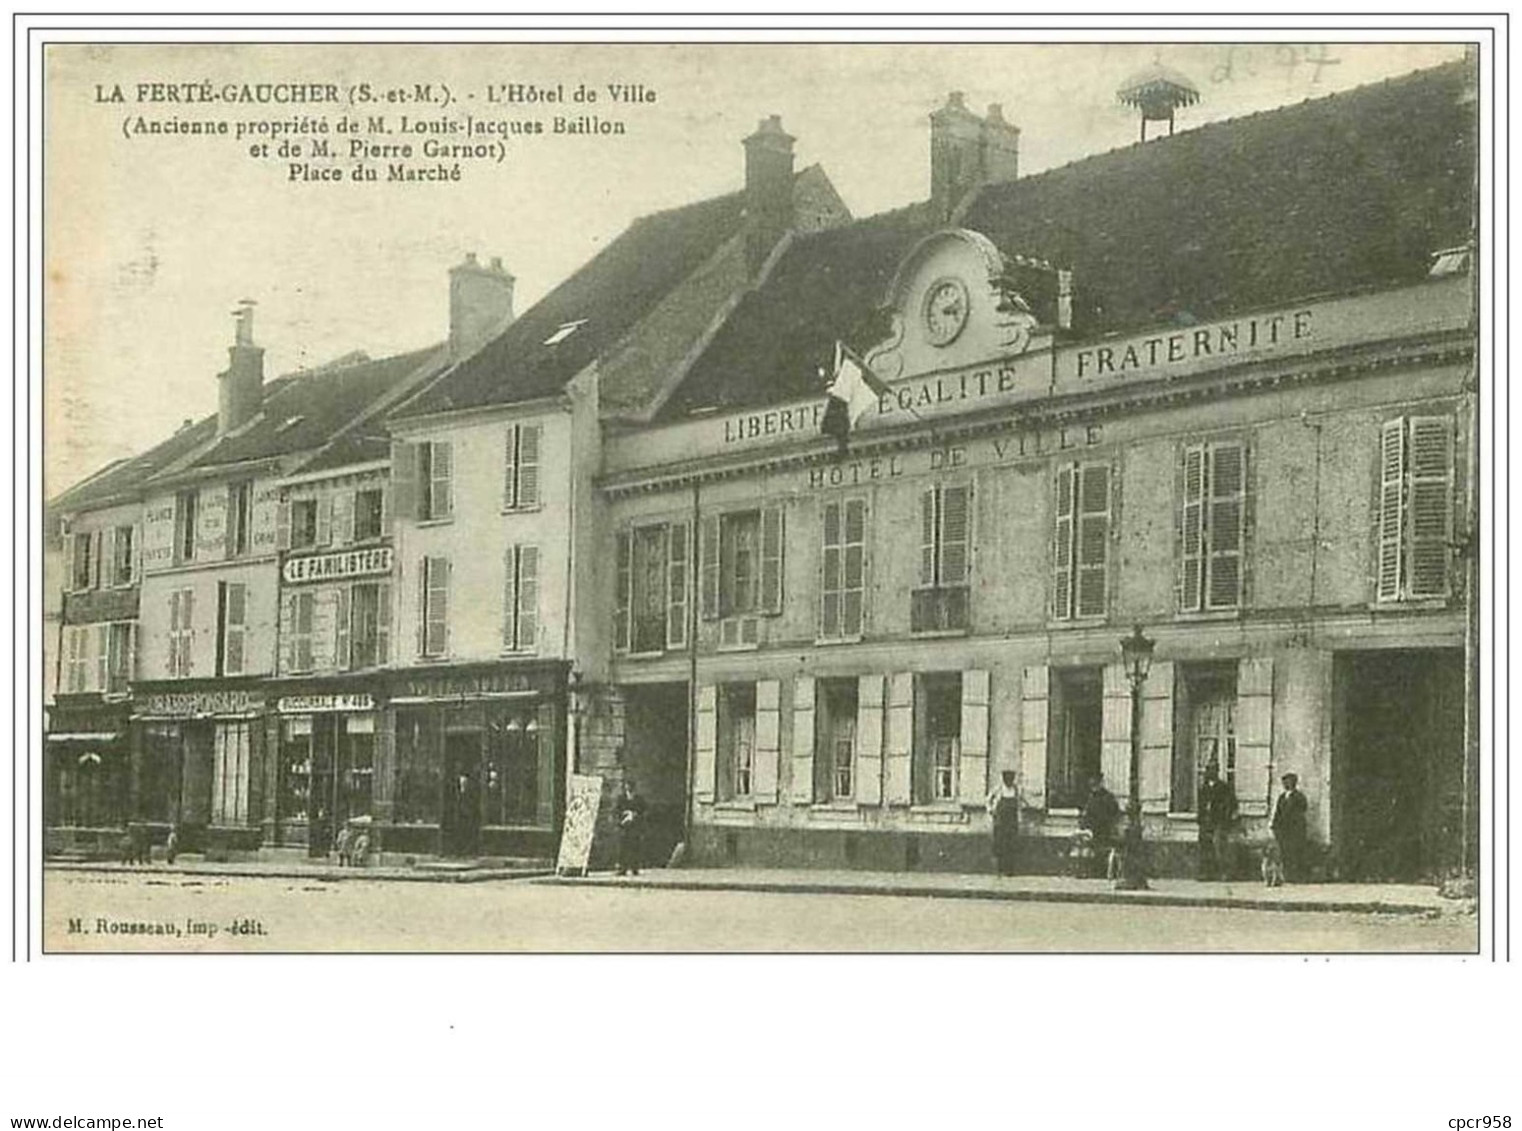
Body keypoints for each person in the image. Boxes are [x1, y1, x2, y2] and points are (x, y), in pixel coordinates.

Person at [1197, 761, 1239, 880]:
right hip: (1206, 821)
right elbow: (1201, 805)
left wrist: (1226, 817)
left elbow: (1232, 804)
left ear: (1217, 772)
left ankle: (1224, 873)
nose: (1209, 772)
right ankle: (1206, 873)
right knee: (1205, 847)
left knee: (1219, 847)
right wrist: (1200, 819)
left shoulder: (1224, 787)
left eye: (1212, 770)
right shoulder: (1203, 788)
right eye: (1208, 770)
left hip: (1219, 821)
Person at [1079, 776, 1121, 879]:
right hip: (1093, 829)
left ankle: (1101, 872)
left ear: (1100, 784)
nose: (1094, 788)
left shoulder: (1107, 797)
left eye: (1096, 785)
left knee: (1101, 850)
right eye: (1092, 786)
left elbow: (1114, 813)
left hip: (1104, 829)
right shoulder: (1091, 798)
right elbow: (1087, 813)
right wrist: (1084, 825)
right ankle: (1090, 871)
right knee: (1092, 849)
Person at [1271, 772, 1310, 883]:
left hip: (1295, 829)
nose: (1285, 784)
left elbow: (1302, 810)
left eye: (1288, 781)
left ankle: (1296, 876)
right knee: (1285, 853)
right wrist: (1274, 825)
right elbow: (1277, 812)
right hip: (1283, 830)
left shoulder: (1299, 796)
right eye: (1284, 782)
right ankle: (1287, 875)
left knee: (1295, 852)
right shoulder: (1282, 797)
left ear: (1294, 783)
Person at [986, 770, 1021, 876]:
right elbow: (988, 800)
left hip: (1012, 822)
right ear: (1004, 779)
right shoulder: (998, 789)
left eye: (1011, 779)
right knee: (1000, 845)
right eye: (1007, 779)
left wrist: (1019, 818)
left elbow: (1019, 805)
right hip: (1001, 822)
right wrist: (991, 810)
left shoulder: (1016, 790)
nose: (1009, 782)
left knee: (1011, 845)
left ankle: (1009, 870)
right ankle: (1000, 869)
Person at [614, 777, 647, 876]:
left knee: (635, 847)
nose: (628, 788)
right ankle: (622, 868)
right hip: (624, 827)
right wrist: (622, 818)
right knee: (623, 848)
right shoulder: (621, 798)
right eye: (626, 786)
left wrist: (635, 815)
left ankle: (634, 868)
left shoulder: (639, 799)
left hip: (635, 827)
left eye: (630, 786)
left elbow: (644, 811)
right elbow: (617, 811)